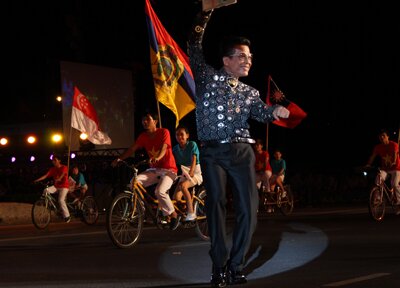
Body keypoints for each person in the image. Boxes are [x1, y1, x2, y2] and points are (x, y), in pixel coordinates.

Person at [188, 8, 290, 287]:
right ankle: (219, 266)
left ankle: (236, 266)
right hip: (212, 153)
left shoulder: (250, 92)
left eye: (250, 57)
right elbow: (193, 48)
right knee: (216, 205)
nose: (248, 61)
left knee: (249, 208)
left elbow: (261, 112)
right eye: (242, 56)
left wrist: (276, 111)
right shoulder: (206, 77)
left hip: (243, 153)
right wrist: (203, 16)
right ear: (226, 60)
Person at [111, 111, 180, 230]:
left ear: (155, 122)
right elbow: (132, 149)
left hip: (169, 170)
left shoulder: (164, 132)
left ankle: (173, 214)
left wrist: (157, 157)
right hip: (154, 169)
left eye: (148, 119)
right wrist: (119, 159)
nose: (145, 122)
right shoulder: (143, 136)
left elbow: (164, 148)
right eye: (143, 120)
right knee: (134, 182)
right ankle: (139, 208)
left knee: (160, 191)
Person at [172, 125, 203, 222]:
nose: (179, 137)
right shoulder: (175, 149)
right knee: (176, 197)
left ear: (187, 135)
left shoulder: (192, 144)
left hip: (195, 172)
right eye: (177, 135)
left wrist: (192, 171)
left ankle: (191, 212)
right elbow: (172, 162)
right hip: (184, 173)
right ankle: (185, 208)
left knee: (183, 186)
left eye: (182, 134)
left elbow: (194, 159)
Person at [366, 129, 400, 212]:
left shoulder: (394, 144)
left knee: (395, 184)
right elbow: (372, 156)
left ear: (387, 137)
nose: (382, 137)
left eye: (383, 136)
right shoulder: (378, 147)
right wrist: (368, 164)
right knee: (378, 179)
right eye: (380, 136)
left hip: (396, 168)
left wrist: (393, 162)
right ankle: (377, 198)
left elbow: (395, 155)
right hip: (385, 169)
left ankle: (399, 202)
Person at [33, 154, 71, 223]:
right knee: (46, 190)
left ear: (59, 161)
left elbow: (63, 174)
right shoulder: (52, 169)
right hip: (56, 187)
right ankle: (47, 203)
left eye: (55, 160)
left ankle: (67, 216)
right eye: (53, 160)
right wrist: (37, 180)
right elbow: (46, 175)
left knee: (61, 200)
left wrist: (59, 178)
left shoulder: (64, 167)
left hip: (64, 187)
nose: (53, 162)